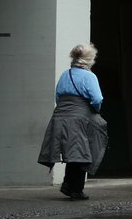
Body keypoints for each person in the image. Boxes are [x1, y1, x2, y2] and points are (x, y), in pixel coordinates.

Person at [37, 43, 108, 200]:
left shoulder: (65, 74)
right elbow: (97, 98)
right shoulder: (89, 76)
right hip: (80, 118)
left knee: (73, 153)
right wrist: (94, 110)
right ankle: (75, 189)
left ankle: (69, 185)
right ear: (89, 60)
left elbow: (58, 97)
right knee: (83, 152)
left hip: (60, 116)